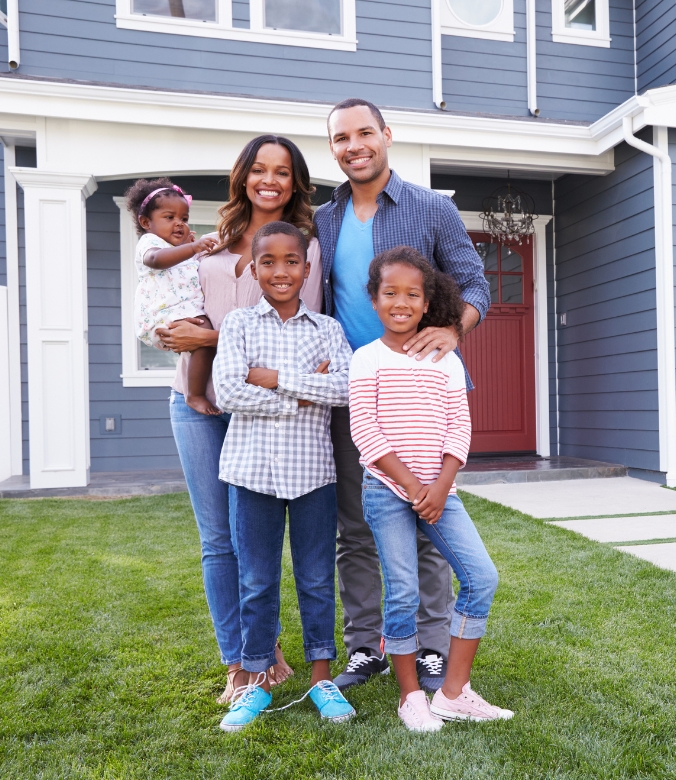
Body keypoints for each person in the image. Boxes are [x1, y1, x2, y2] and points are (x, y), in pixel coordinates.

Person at [316, 98, 491, 691]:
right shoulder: (324, 218)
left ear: (387, 135)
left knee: (429, 524)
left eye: (365, 132)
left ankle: (434, 647)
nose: (354, 145)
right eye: (341, 138)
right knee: (357, 526)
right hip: (357, 393)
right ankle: (366, 647)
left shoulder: (430, 208)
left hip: (425, 393)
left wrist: (453, 328)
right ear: (333, 148)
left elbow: (475, 283)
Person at [159, 135, 323, 704]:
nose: (269, 180)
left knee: (257, 538)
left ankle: (263, 644)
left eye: (281, 171)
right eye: (258, 169)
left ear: (295, 181)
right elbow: (175, 313)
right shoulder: (206, 244)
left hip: (265, 412)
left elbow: (299, 338)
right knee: (216, 540)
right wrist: (174, 332)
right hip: (197, 401)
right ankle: (242, 658)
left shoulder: (308, 250)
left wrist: (207, 335)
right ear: (243, 177)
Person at [351, 246, 510, 730]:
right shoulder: (366, 359)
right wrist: (414, 486)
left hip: (442, 491)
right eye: (390, 292)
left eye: (412, 294)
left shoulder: (447, 360)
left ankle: (453, 693)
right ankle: (410, 696)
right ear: (374, 300)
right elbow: (365, 431)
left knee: (481, 579)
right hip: (386, 490)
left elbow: (459, 428)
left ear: (427, 303)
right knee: (402, 593)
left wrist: (441, 487)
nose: (401, 302)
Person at [214, 221, 356, 732]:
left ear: (307, 267)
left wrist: (273, 381)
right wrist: (301, 393)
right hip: (251, 473)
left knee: (317, 578)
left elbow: (343, 389)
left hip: (313, 473)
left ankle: (322, 678)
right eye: (268, 262)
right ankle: (254, 680)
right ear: (254, 269)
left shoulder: (328, 331)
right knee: (256, 580)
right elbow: (228, 392)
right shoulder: (237, 325)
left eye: (291, 261)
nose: (280, 271)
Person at [125, 179, 218, 416]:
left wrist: (189, 248)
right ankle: (194, 394)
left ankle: (197, 390)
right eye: (169, 218)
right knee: (204, 339)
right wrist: (193, 247)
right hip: (163, 313)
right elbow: (156, 260)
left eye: (184, 219)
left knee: (204, 340)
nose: (179, 224)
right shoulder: (150, 243)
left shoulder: (180, 249)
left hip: (183, 310)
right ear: (146, 222)